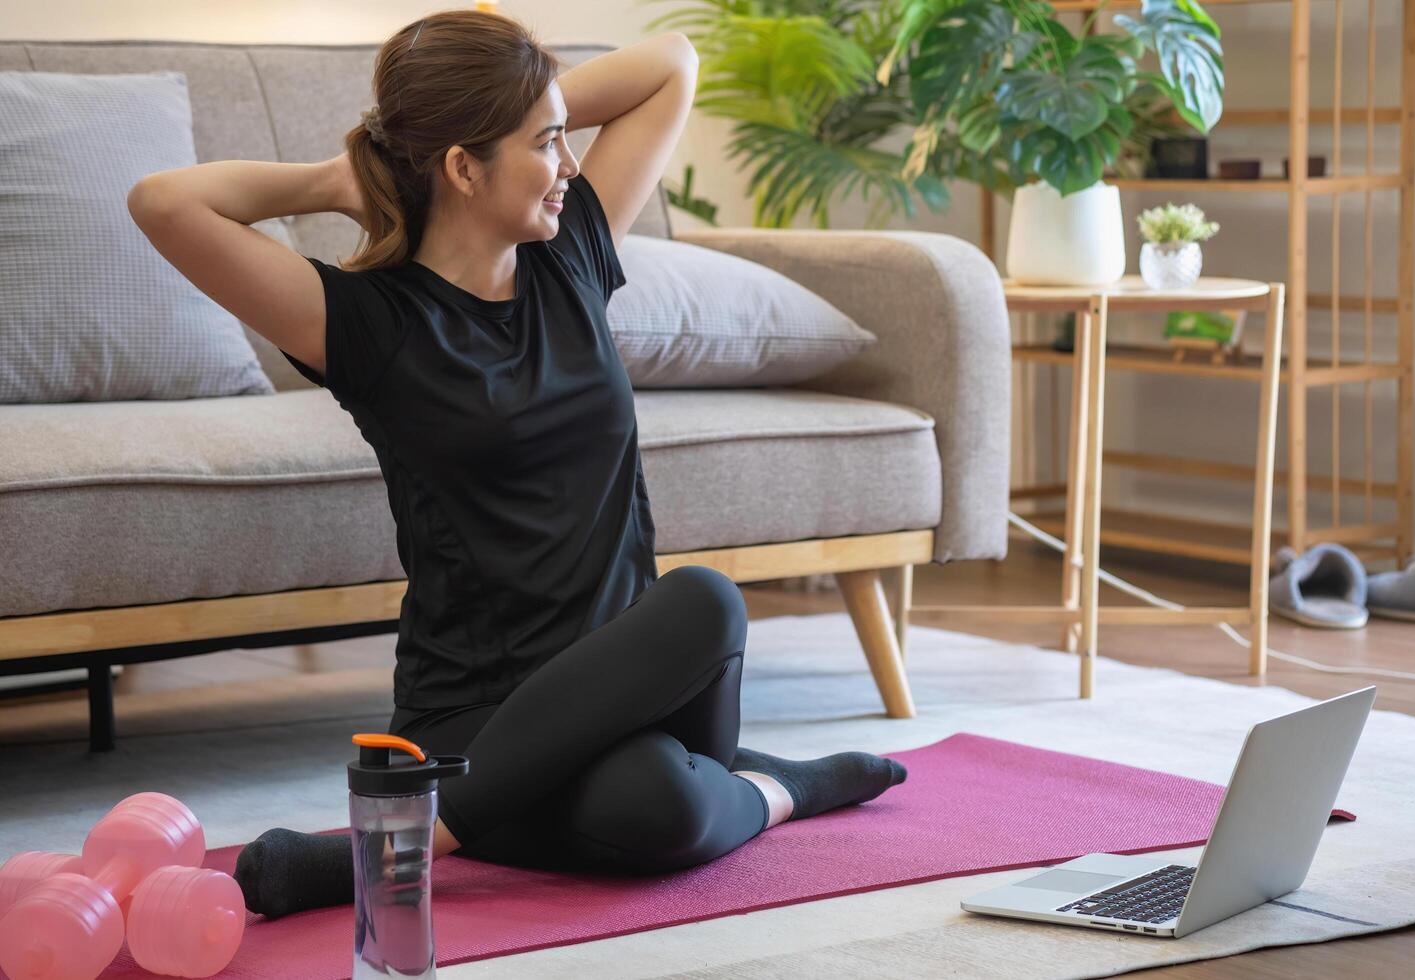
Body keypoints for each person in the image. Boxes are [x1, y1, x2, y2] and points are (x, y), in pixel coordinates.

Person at [127, 10, 905, 919]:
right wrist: (346, 180)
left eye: (565, 137)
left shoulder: (570, 255)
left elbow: (671, 63)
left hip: (628, 695)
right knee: (657, 812)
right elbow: (163, 201)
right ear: (462, 166)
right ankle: (772, 789)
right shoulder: (366, 323)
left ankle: (400, 845)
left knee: (702, 603)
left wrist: (521, 107)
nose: (570, 164)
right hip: (469, 717)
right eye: (546, 144)